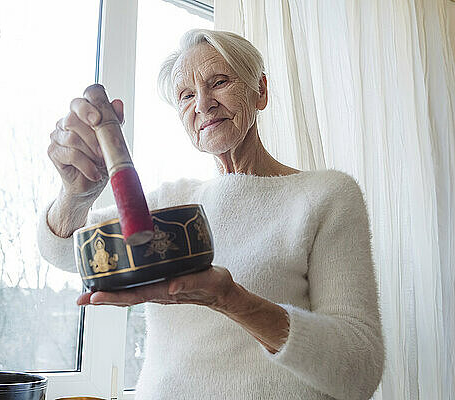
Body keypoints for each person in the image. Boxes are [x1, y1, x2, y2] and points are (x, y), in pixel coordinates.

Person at [38, 29, 384, 400]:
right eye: (186, 95)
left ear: (260, 91)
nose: (203, 103)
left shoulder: (327, 196)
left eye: (219, 82)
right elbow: (64, 251)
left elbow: (359, 370)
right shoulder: (171, 205)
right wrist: (75, 195)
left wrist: (230, 299)